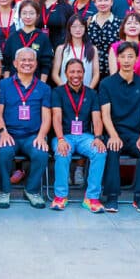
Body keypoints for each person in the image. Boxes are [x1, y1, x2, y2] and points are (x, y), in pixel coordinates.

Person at [99, 42, 140, 213]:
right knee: (112, 148)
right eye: (122, 56)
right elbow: (105, 115)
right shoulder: (107, 84)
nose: (126, 60)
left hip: (137, 134)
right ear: (117, 59)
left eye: (130, 56)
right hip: (115, 132)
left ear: (137, 59)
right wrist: (114, 135)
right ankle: (112, 196)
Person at [0, 47, 51, 209]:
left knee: (41, 153)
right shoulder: (4, 85)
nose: (27, 63)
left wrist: (41, 136)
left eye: (30, 60)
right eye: (23, 60)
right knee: (4, 152)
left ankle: (32, 190)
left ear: (36, 63)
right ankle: (4, 190)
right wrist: (3, 132)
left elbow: (47, 116)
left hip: (32, 135)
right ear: (15, 63)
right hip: (10, 133)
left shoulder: (44, 88)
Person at [49, 58, 107, 212]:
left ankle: (92, 198)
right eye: (72, 71)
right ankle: (60, 196)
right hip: (64, 135)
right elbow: (56, 117)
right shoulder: (58, 92)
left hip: (85, 136)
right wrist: (60, 139)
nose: (76, 75)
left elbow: (97, 118)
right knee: (62, 152)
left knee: (100, 151)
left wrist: (98, 137)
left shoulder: (92, 93)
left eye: (79, 72)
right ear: (66, 73)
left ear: (84, 73)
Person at [51, 14, 97, 88]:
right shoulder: (61, 49)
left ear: (85, 28)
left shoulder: (92, 49)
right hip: (66, 93)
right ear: (69, 28)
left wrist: (89, 91)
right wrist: (65, 89)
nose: (78, 29)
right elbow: (55, 74)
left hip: (86, 92)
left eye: (81, 26)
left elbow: (96, 74)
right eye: (74, 27)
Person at [87, 0, 120, 81]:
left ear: (112, 2)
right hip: (92, 68)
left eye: (106, 0)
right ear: (95, 3)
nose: (103, 3)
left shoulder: (119, 23)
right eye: (100, 0)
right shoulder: (89, 22)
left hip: (112, 68)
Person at [109, 12, 140, 79]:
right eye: (129, 23)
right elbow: (113, 75)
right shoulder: (115, 47)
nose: (132, 26)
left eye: (136, 23)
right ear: (123, 28)